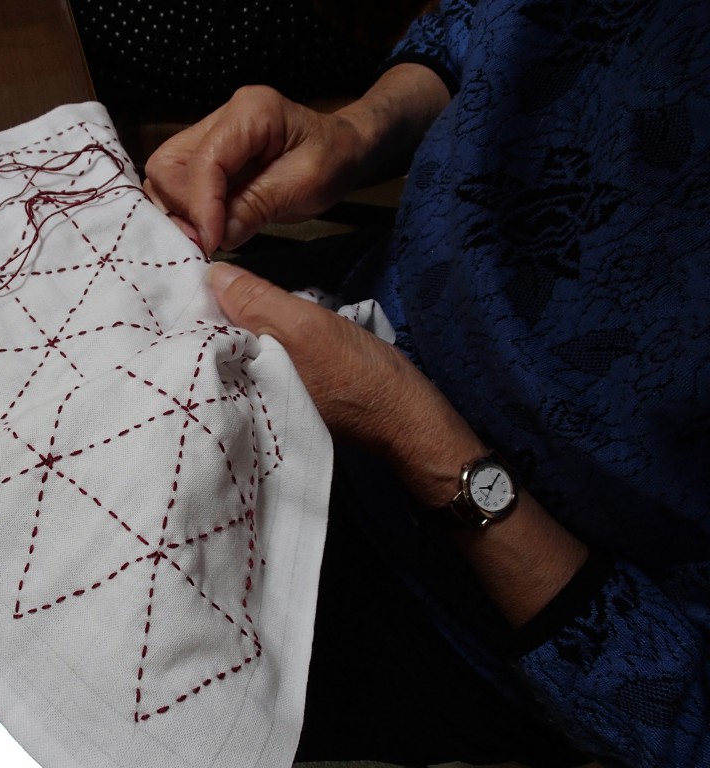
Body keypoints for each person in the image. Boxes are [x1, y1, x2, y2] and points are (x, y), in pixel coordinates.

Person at [143, 1, 710, 766]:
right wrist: (358, 131)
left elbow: (687, 726)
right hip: (354, 305)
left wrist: (419, 437)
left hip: (457, 623)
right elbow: (499, 21)